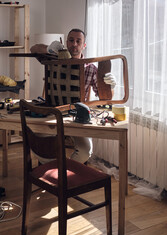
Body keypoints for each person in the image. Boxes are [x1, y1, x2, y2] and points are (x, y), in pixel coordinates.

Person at [31, 28, 116, 164]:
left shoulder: (90, 68)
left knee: (85, 151)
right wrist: (50, 48)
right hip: (53, 114)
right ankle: (56, 173)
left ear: (84, 45)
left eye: (78, 41)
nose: (74, 44)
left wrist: (110, 86)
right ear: (66, 42)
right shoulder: (54, 60)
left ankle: (65, 173)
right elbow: (34, 48)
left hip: (78, 117)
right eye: (71, 40)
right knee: (39, 143)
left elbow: (104, 98)